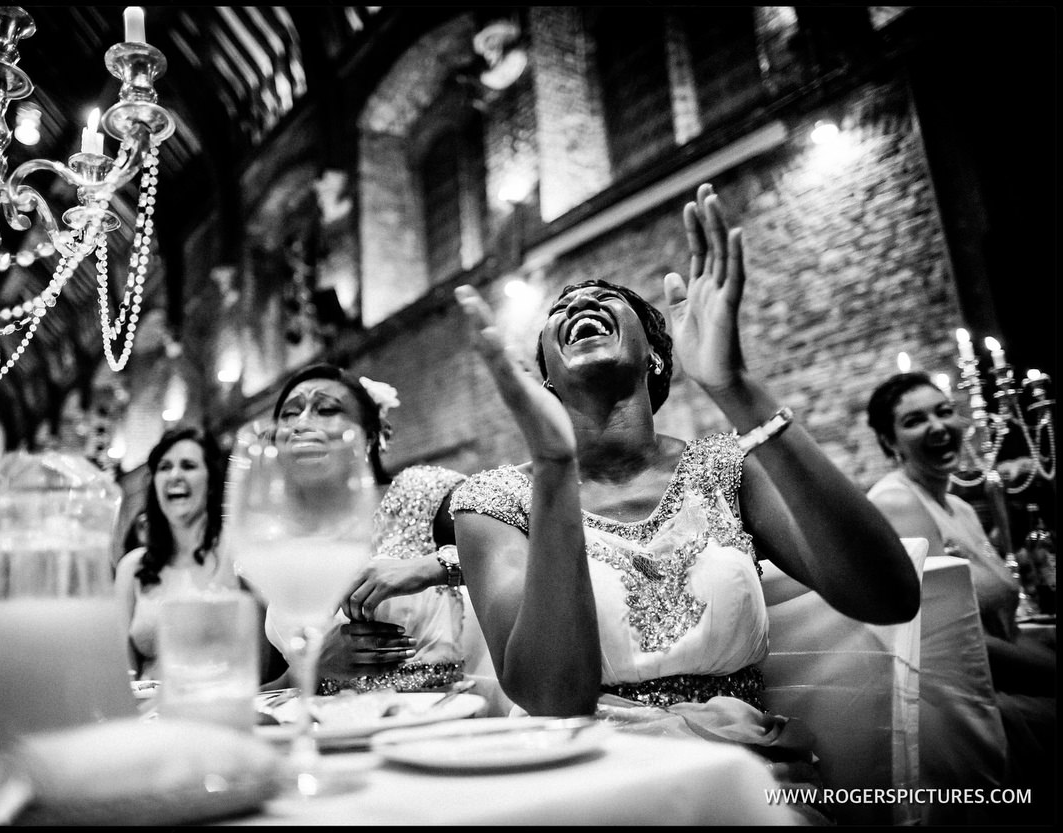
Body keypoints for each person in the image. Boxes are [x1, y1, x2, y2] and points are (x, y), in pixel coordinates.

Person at [448, 183, 920, 778]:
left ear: (655, 356)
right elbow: (551, 699)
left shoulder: (726, 468)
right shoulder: (494, 502)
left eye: (604, 300)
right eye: (560, 310)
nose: (576, 306)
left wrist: (735, 387)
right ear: (547, 381)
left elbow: (890, 597)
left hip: (747, 773)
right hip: (585, 779)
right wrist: (554, 469)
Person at [865, 371, 1055, 821]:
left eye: (944, 411)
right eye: (914, 420)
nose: (937, 426)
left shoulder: (964, 508)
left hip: (1006, 671)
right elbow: (943, 633)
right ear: (889, 442)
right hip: (972, 700)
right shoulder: (897, 502)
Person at [258, 364, 472, 696]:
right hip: (322, 729)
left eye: (326, 409)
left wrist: (427, 568)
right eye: (289, 414)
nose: (301, 423)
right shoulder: (280, 537)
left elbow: (521, 545)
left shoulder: (418, 492)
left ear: (370, 436)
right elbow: (286, 682)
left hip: (429, 721)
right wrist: (311, 665)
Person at [113, 425, 229, 681]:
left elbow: (251, 661)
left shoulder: (231, 552)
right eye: (164, 467)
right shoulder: (133, 567)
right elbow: (123, 670)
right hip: (148, 712)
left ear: (210, 482)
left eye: (188, 466)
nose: (175, 475)